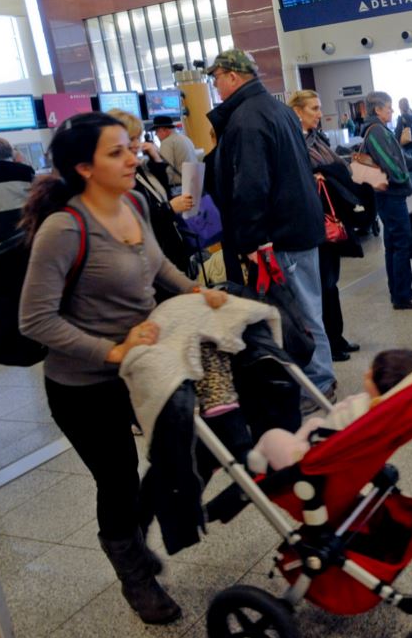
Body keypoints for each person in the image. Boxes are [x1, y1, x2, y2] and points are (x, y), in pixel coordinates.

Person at [18, 112, 229, 625]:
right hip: (84, 384)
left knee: (202, 443)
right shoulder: (62, 229)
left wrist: (196, 291)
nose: (133, 157)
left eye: (129, 147)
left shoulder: (133, 202)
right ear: (84, 167)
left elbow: (156, 264)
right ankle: (135, 572)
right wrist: (111, 351)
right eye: (117, 152)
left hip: (143, 364)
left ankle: (133, 536)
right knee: (116, 478)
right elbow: (34, 319)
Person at [204, 49, 338, 400]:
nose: (215, 86)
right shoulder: (276, 110)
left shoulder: (247, 119)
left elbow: (251, 185)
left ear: (233, 76)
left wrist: (251, 240)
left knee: (300, 314)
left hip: (280, 235)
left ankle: (318, 387)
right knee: (306, 308)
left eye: (216, 77)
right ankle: (315, 382)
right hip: (296, 227)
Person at [248, 348, 412, 472]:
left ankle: (258, 463)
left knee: (273, 434)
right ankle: (294, 442)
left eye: (371, 374)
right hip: (337, 449)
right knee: (314, 422)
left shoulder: (359, 412)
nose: (366, 373)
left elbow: (337, 423)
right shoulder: (384, 411)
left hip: (312, 461)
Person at [287, 90, 366, 361]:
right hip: (315, 223)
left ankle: (337, 336)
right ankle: (328, 344)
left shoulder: (315, 139)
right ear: (297, 111)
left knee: (331, 283)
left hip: (328, 219)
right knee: (321, 285)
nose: (320, 114)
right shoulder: (296, 144)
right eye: (314, 108)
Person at [358, 91, 412, 310]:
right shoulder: (376, 132)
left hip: (387, 194)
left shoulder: (378, 131)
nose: (392, 111)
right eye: (388, 107)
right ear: (378, 109)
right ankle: (402, 295)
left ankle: (399, 291)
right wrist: (402, 178)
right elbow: (391, 164)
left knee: (393, 245)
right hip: (390, 195)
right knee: (401, 244)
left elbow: (397, 158)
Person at [105, 109, 195, 277]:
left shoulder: (139, 167)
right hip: (153, 257)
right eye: (131, 139)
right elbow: (137, 215)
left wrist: (156, 159)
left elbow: (160, 192)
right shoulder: (118, 178)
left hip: (168, 249)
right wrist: (168, 208)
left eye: (137, 138)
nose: (136, 144)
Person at [152, 115, 197, 192]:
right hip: (194, 184)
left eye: (157, 131)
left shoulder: (167, 142)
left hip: (180, 188)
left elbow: (167, 169)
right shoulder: (185, 138)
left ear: (164, 130)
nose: (156, 135)